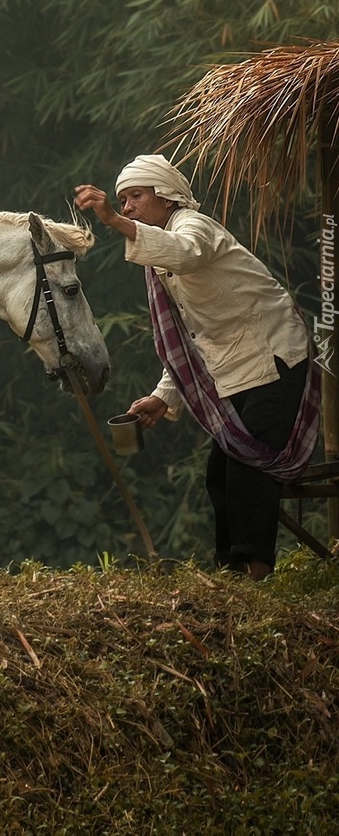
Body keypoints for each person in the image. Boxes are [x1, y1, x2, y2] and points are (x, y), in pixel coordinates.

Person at [75, 154, 320, 580]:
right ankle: (231, 575)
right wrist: (162, 396)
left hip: (274, 357)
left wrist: (113, 220)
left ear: (167, 196)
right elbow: (193, 341)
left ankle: (256, 576)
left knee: (250, 467)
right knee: (220, 473)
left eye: (135, 196)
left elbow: (185, 254)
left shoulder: (192, 227)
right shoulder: (159, 256)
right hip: (233, 367)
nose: (129, 206)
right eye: (123, 200)